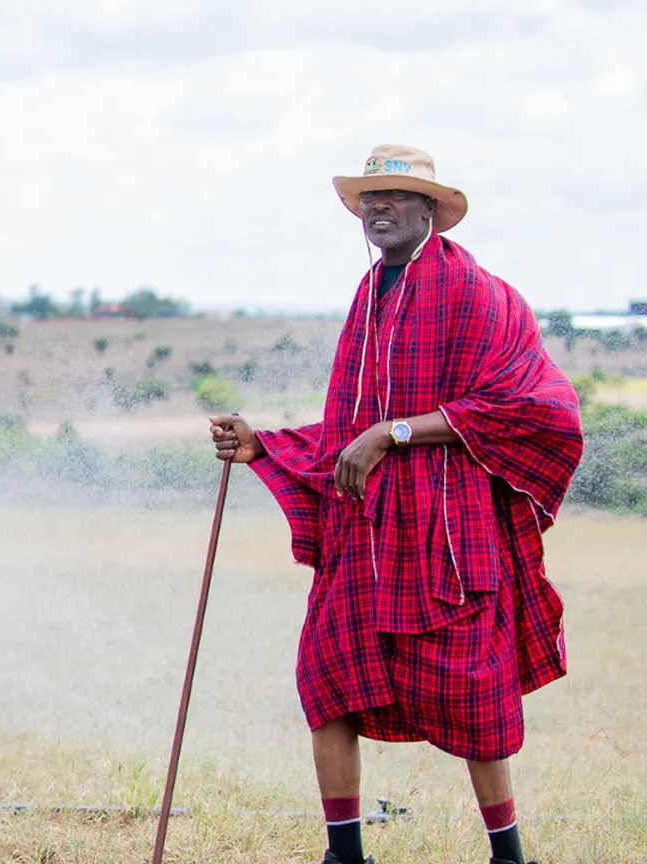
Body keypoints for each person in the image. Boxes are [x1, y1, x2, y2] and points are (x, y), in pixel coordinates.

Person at [209, 145, 583, 864]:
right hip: (364, 527)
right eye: (368, 198)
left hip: (447, 526)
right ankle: (343, 855)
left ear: (430, 211)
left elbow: (535, 408)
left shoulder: (480, 293)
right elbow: (351, 426)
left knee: (477, 691)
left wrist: (395, 433)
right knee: (328, 676)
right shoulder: (368, 293)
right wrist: (264, 444)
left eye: (394, 197)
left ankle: (508, 856)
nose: (377, 208)